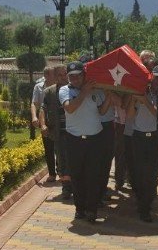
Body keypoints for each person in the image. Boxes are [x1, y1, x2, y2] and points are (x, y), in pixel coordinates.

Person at [60, 62, 117, 223]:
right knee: (77, 176)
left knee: (93, 175)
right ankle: (80, 209)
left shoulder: (95, 90)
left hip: (95, 139)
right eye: (72, 76)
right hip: (74, 139)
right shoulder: (65, 90)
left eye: (78, 75)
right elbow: (70, 108)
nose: (75, 79)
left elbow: (102, 111)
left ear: (84, 75)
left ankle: (92, 210)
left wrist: (108, 98)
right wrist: (84, 92)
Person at [130, 66, 158, 222]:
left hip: (155, 137)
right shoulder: (143, 91)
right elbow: (130, 115)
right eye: (156, 77)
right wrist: (133, 100)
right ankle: (141, 201)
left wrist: (146, 101)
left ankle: (146, 206)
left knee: (151, 174)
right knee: (138, 173)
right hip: (138, 136)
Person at [40, 65, 71, 199]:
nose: (64, 77)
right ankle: (66, 188)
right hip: (59, 132)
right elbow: (42, 109)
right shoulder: (49, 92)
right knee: (62, 160)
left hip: (75, 131)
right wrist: (42, 125)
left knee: (75, 160)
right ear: (55, 77)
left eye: (65, 74)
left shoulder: (74, 90)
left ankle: (77, 185)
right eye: (60, 75)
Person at [32, 67, 56, 183]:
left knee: (60, 148)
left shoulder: (61, 87)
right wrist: (34, 117)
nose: (48, 76)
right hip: (45, 121)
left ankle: (62, 171)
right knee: (49, 148)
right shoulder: (39, 87)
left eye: (50, 74)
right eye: (46, 74)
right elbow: (34, 104)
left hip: (59, 121)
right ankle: (52, 173)